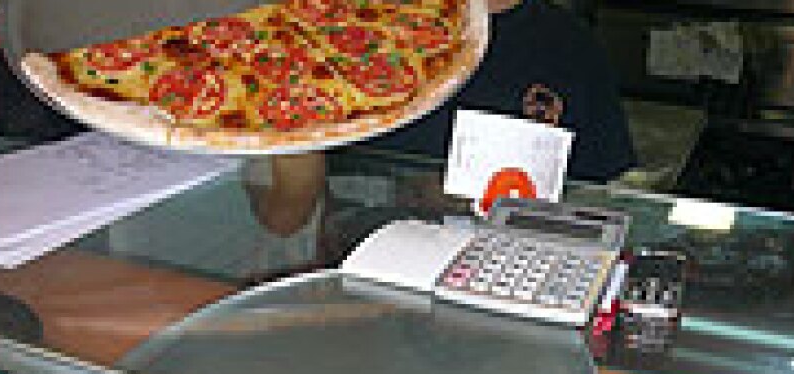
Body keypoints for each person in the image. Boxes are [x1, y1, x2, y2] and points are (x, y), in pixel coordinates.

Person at [248, 0, 636, 237]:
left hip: (504, 298)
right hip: (361, 299)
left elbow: (598, 203)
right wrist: (292, 129)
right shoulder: (350, 35)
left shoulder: (572, 46)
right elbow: (283, 219)